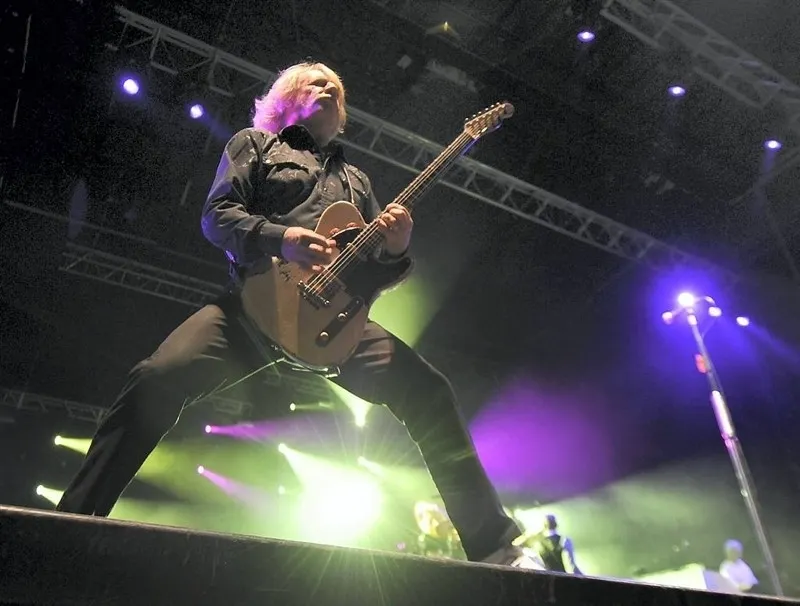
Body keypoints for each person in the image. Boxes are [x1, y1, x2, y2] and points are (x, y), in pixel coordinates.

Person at [55, 61, 538, 569]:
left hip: (334, 321)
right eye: (316, 81)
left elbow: (369, 276)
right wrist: (281, 238)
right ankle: (72, 522)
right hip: (252, 309)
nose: (329, 87)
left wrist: (396, 249)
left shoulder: (357, 181)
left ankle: (495, 547)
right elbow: (217, 217)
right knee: (156, 378)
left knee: (429, 392)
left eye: (337, 87)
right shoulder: (256, 145)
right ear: (285, 98)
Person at [516, 514, 582, 574]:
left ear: (543, 526)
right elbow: (571, 565)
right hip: (561, 575)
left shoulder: (536, 542)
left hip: (545, 576)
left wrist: (528, 534)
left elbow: (516, 544)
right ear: (556, 525)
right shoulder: (564, 540)